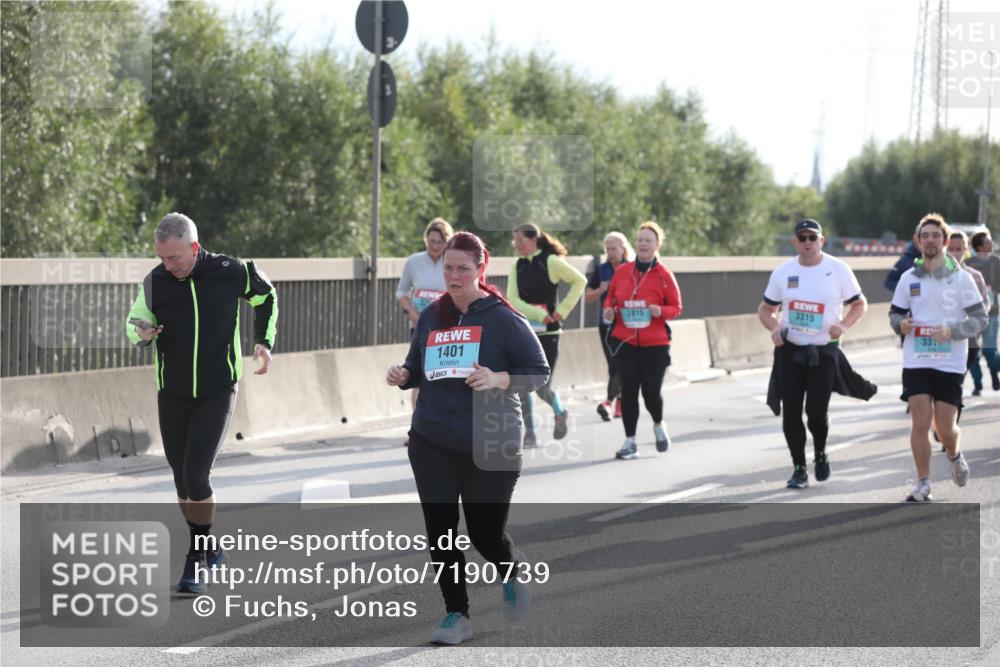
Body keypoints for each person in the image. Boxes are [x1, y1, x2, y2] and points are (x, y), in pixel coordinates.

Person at [386, 231, 549, 645]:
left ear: (481, 270)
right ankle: (457, 615)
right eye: (448, 268)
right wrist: (404, 376)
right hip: (433, 439)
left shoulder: (502, 318)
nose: (454, 276)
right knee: (441, 531)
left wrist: (499, 377)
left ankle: (509, 568)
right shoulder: (432, 315)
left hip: (491, 441)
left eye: (463, 268)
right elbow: (416, 365)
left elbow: (539, 370)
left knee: (484, 534)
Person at [125, 213, 277, 593]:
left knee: (196, 475)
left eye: (174, 258)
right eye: (162, 258)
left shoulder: (229, 271)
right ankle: (209, 546)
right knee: (180, 478)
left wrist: (264, 340)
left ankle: (198, 554)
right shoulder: (155, 282)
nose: (168, 265)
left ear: (194, 248)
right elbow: (134, 322)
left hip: (218, 388)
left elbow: (266, 295)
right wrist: (142, 332)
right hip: (172, 391)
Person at [758, 219, 873, 489]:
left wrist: (843, 325)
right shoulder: (783, 272)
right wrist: (774, 327)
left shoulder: (838, 269)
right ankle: (799, 468)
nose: (807, 242)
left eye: (813, 237)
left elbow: (860, 303)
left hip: (824, 351)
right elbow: (766, 308)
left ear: (822, 240)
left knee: (816, 411)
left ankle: (820, 452)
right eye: (802, 237)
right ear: (795, 242)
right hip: (791, 351)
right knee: (791, 413)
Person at [889, 213, 987, 502]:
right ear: (919, 242)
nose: (930, 240)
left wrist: (953, 331)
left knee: (945, 428)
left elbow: (980, 319)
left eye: (935, 235)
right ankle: (923, 482)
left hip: (949, 361)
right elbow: (895, 315)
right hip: (917, 359)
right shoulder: (908, 278)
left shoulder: (961, 278)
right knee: (920, 420)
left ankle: (954, 455)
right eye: (925, 236)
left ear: (944, 242)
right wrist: (901, 325)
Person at [602, 221, 682, 459]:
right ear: (635, 244)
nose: (643, 244)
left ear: (657, 245)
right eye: (640, 240)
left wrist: (660, 311)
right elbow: (610, 300)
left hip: (655, 345)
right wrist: (609, 311)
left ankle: (658, 424)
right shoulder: (622, 272)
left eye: (649, 240)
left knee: (651, 393)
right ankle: (630, 442)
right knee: (628, 391)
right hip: (625, 341)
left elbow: (677, 307)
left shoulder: (664, 275)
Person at [507, 223, 586, 446]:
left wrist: (561, 311)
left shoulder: (550, 261)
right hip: (525, 332)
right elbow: (513, 299)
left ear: (533, 240)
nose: (516, 245)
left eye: (520, 240)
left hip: (549, 332)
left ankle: (559, 412)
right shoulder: (517, 266)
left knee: (542, 386)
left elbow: (580, 281)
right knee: (522, 384)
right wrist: (537, 313)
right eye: (515, 241)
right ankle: (529, 432)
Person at [396, 218, 455, 445]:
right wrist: (410, 311)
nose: (434, 246)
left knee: (443, 379)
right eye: (431, 241)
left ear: (447, 242)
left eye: (439, 242)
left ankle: (443, 427)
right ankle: (417, 430)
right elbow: (401, 291)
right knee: (419, 378)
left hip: (447, 330)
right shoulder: (414, 262)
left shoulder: (451, 263)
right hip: (420, 327)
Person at [585, 231, 634, 421]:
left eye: (614, 248)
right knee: (613, 364)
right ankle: (619, 401)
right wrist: (601, 290)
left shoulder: (631, 268)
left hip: (627, 323)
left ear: (623, 249)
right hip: (605, 324)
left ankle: (608, 402)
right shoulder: (602, 269)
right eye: (608, 249)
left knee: (620, 364)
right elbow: (588, 297)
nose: (611, 252)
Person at [947, 231, 990, 396]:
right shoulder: (932, 275)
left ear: (966, 250)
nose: (954, 252)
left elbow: (984, 304)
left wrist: (972, 322)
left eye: (958, 248)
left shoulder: (975, 277)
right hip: (938, 339)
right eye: (950, 248)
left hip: (966, 337)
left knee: (953, 387)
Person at [966, 229, 1000, 392]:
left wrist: (993, 289)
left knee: (990, 350)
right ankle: (977, 383)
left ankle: (994, 373)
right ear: (979, 247)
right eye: (987, 242)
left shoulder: (996, 262)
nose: (991, 244)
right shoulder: (969, 264)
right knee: (972, 350)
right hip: (972, 315)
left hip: (992, 313)